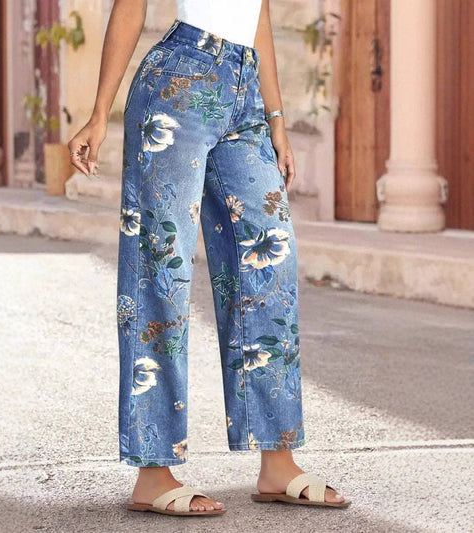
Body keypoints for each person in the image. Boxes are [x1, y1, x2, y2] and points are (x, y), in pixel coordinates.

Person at [68, 0, 350, 516]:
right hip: (178, 83)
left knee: (269, 262)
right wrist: (99, 114)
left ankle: (277, 461)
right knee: (161, 268)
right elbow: (130, 6)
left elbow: (257, 13)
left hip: (246, 93)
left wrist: (276, 117)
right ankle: (154, 470)